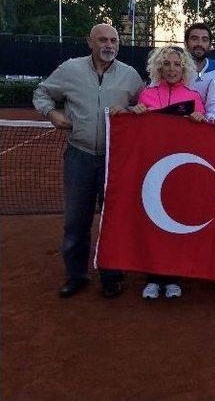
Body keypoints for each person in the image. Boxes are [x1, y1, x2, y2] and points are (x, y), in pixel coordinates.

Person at [33, 23, 144, 298]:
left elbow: (146, 104)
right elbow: (42, 92)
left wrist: (135, 109)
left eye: (114, 40)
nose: (109, 45)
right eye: (103, 40)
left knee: (113, 220)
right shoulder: (70, 69)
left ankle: (112, 276)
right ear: (90, 42)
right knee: (75, 221)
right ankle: (77, 275)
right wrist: (51, 114)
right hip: (79, 156)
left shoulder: (130, 76)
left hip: (115, 160)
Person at [114, 45, 206, 299]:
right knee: (152, 222)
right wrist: (136, 113)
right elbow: (136, 132)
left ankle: (173, 277)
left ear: (184, 68)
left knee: (175, 222)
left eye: (177, 64)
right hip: (151, 168)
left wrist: (201, 119)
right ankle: (153, 277)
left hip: (181, 170)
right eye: (167, 64)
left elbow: (204, 139)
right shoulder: (147, 94)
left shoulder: (193, 96)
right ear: (159, 67)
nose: (172, 69)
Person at [184, 22, 215, 101]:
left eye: (204, 40)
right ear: (186, 43)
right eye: (194, 39)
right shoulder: (174, 68)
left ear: (210, 45)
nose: (200, 44)